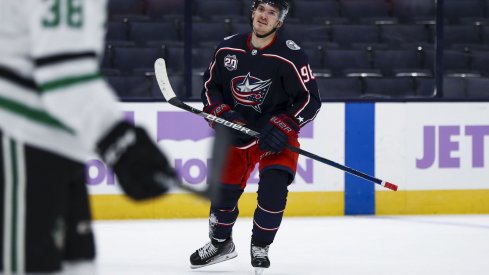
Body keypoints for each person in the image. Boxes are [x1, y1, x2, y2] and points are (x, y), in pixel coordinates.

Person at [0, 0, 176, 273]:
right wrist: (121, 141)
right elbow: (65, 79)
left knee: (79, 265)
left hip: (53, 147)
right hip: (21, 142)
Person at [190, 0, 321, 273]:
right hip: (236, 134)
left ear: (279, 23)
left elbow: (310, 101)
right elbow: (209, 89)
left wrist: (285, 125)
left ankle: (260, 245)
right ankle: (221, 244)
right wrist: (222, 114)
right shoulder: (227, 47)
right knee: (223, 197)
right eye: (261, 9)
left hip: (275, 136)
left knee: (273, 193)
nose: (264, 16)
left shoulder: (291, 56)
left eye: (272, 13)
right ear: (252, 12)